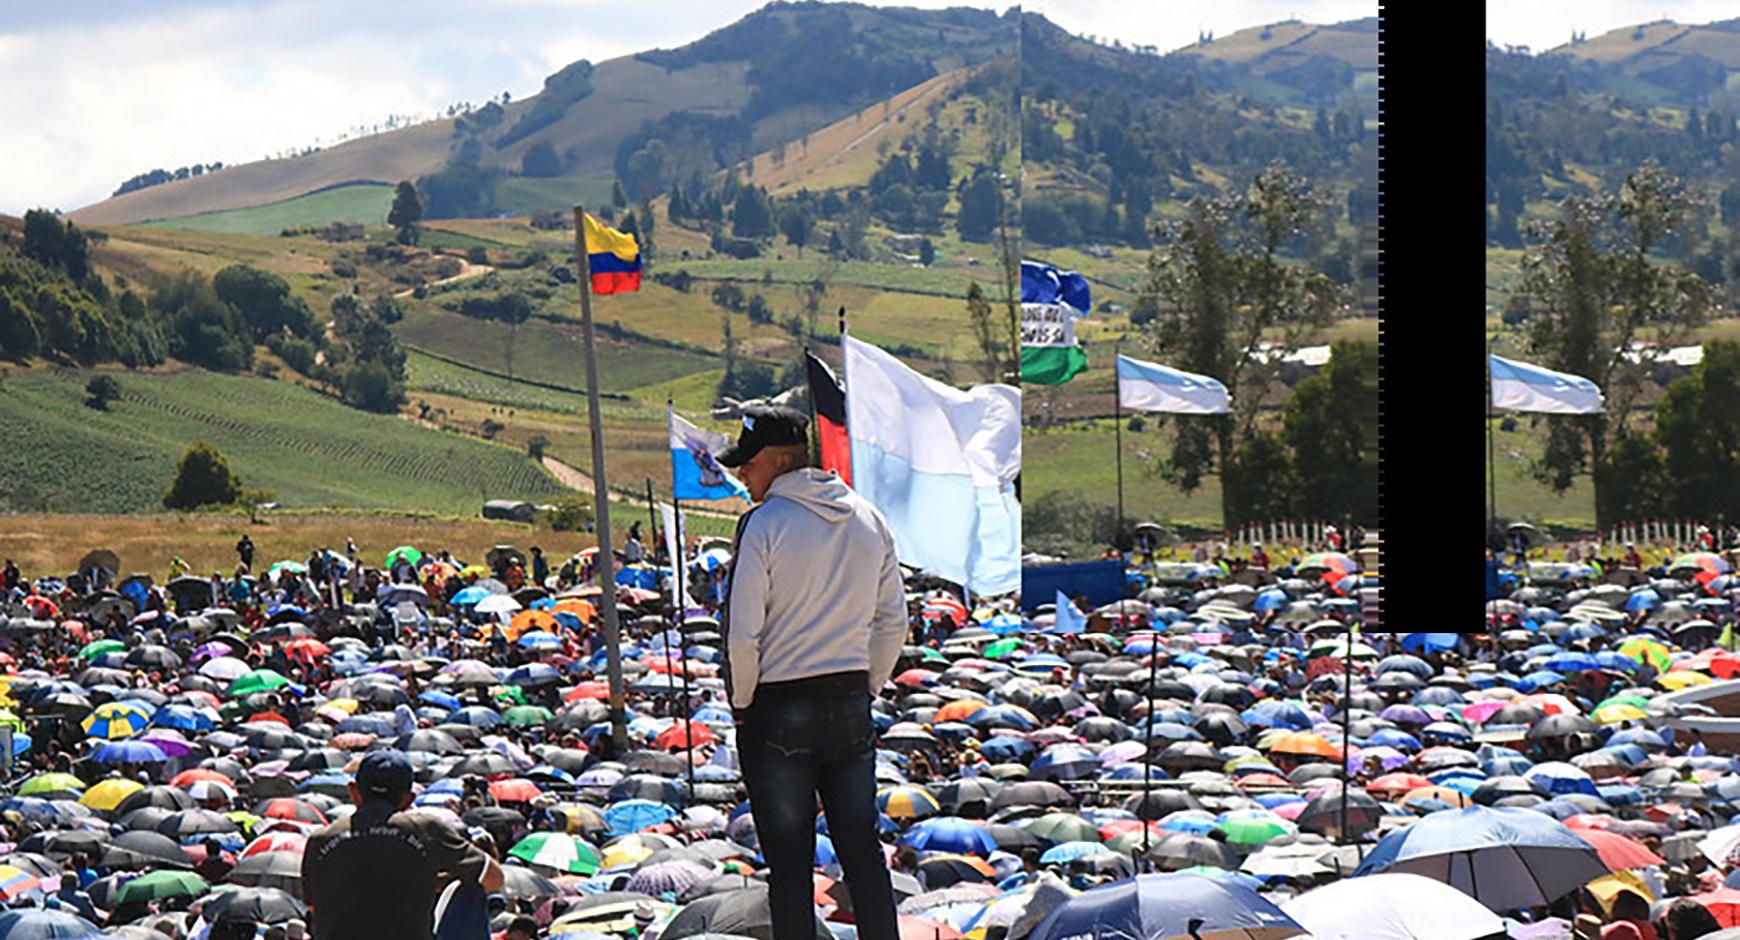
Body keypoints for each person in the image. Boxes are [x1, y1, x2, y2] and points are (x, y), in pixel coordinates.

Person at [716, 405, 905, 940]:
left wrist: (744, 705)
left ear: (778, 461)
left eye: (747, 465)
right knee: (863, 852)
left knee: (790, 866)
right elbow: (894, 622)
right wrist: (866, 686)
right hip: (848, 697)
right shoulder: (869, 518)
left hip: (778, 704)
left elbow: (743, 634)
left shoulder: (763, 524)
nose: (742, 476)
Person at [302, 751, 504, 939]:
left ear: (354, 792)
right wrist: (443, 880)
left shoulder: (320, 840)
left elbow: (312, 905)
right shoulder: (426, 830)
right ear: (408, 799)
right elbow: (494, 878)